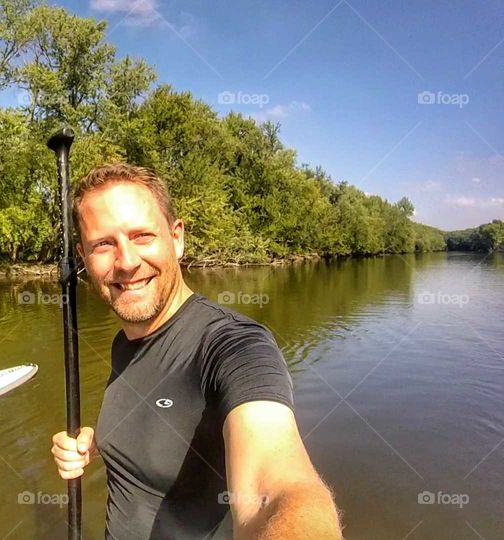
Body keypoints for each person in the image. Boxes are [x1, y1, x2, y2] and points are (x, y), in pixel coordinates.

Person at [50, 164, 341, 539]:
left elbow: (280, 491)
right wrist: (98, 445)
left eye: (141, 236)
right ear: (83, 256)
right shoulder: (125, 342)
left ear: (177, 238)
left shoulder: (234, 346)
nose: (126, 261)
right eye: (103, 244)